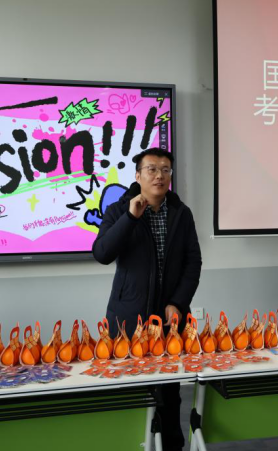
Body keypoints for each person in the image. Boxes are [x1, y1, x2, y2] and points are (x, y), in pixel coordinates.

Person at [92, 147, 202, 451]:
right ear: (138, 175)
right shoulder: (118, 210)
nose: (159, 176)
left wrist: (178, 302)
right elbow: (102, 253)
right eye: (152, 169)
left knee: (169, 395)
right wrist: (130, 217)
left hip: (170, 320)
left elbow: (193, 263)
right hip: (128, 319)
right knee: (130, 391)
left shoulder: (181, 213)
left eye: (166, 170)